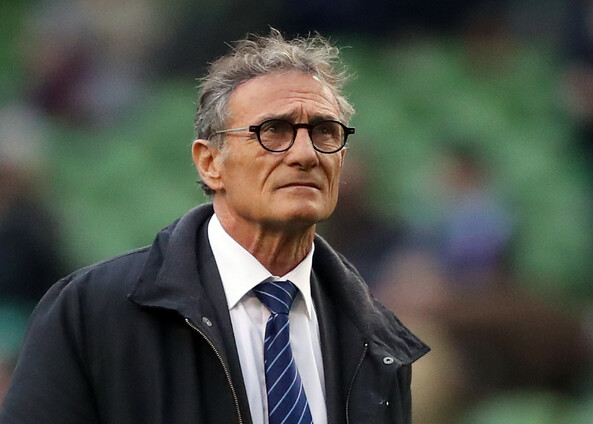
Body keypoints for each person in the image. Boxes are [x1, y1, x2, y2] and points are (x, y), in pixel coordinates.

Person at [0, 29, 429, 424]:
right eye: (274, 131)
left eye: (325, 132)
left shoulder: (378, 340)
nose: (305, 154)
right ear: (210, 163)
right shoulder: (90, 312)